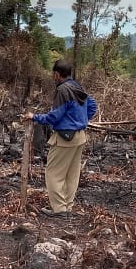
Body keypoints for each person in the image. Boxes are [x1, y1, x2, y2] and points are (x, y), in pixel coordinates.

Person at [21, 59, 97, 217]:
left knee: (53, 173)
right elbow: (92, 106)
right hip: (80, 136)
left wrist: (34, 116)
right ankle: (67, 207)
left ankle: (60, 209)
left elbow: (54, 117)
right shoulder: (77, 87)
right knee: (72, 174)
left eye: (53, 74)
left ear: (57, 74)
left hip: (65, 138)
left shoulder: (62, 90)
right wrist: (81, 120)